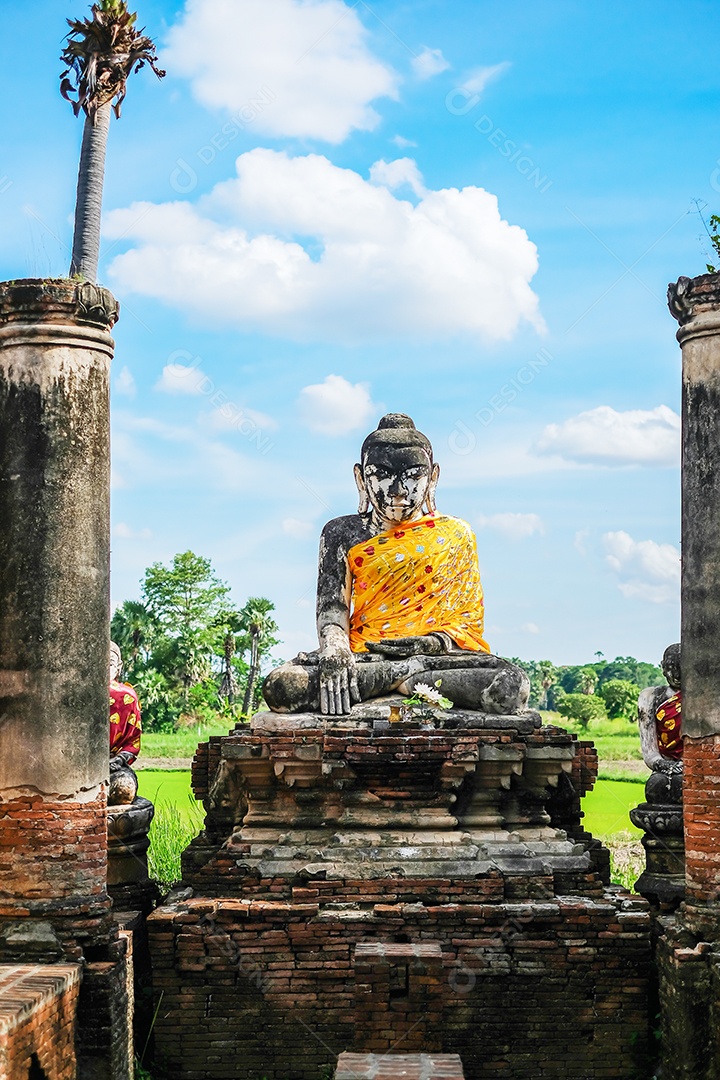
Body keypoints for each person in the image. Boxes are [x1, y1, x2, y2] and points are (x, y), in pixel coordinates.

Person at [264, 414, 529, 715]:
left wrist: (426, 646)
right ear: (360, 478)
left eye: (414, 476)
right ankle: (408, 680)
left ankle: (401, 676)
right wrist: (335, 651)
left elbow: (464, 622)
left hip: (434, 659)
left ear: (433, 478)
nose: (398, 491)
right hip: (365, 656)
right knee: (282, 687)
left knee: (510, 685)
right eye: (382, 475)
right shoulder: (340, 533)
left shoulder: (456, 535)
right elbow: (332, 610)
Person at [637, 643, 682, 803]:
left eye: (681, 667)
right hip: (667, 766)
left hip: (695, 765)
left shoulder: (706, 696)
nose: (676, 674)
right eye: (670, 668)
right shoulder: (650, 697)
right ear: (662, 667)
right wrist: (663, 765)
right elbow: (649, 750)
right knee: (657, 787)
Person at [109, 641, 141, 805]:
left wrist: (119, 760)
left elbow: (133, 741)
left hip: (114, 764)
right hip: (79, 765)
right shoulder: (77, 693)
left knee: (123, 790)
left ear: (119, 667)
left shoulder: (127, 697)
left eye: (110, 663)